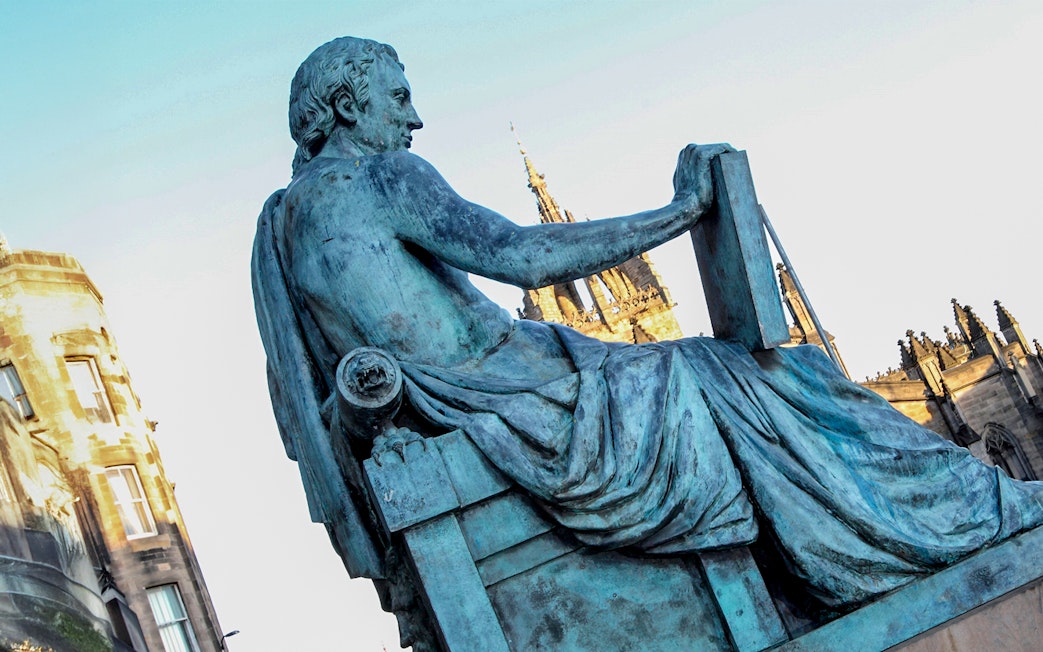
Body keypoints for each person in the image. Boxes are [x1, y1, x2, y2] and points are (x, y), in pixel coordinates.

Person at [253, 37, 1043, 610]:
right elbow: (525, 256)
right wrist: (680, 212)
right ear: (350, 105)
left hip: (477, 402)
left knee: (758, 374)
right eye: (398, 97)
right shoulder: (384, 175)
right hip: (524, 402)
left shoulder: (285, 222)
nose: (416, 118)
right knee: (768, 374)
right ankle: (966, 515)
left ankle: (954, 507)